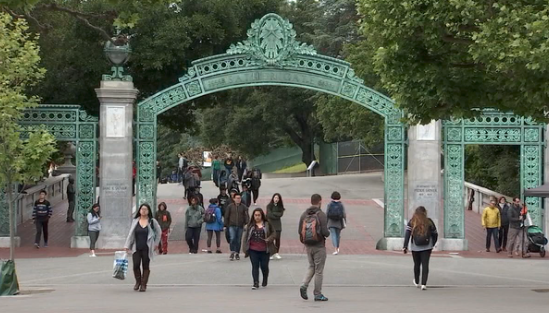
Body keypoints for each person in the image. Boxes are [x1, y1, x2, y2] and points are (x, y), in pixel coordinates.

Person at [298, 194, 330, 302]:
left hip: (308, 245)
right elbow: (325, 232)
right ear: (320, 201)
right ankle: (317, 294)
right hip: (319, 246)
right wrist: (327, 233)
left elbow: (299, 231)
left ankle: (304, 284)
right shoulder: (321, 215)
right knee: (319, 271)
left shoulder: (304, 214)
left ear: (311, 201)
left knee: (311, 266)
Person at [124, 203, 161, 292]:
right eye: (142, 209)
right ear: (139, 211)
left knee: (145, 265)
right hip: (136, 247)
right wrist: (127, 245)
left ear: (148, 211)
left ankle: (144, 284)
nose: (143, 211)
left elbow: (159, 232)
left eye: (145, 209)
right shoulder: (135, 221)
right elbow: (130, 234)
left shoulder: (152, 221)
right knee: (136, 265)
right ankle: (138, 282)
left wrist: (156, 243)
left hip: (147, 247)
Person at [402, 206, 438, 291]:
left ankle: (417, 281)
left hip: (415, 246)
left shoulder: (412, 221)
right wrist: (433, 243)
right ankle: (424, 284)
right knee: (425, 265)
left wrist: (405, 246)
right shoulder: (429, 221)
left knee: (417, 264)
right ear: (425, 212)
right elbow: (435, 234)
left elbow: (407, 234)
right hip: (427, 246)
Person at [243, 208, 276, 289]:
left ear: (262, 216)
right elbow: (246, 237)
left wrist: (269, 239)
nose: (257, 217)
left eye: (258, 215)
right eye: (255, 215)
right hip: (253, 249)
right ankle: (256, 282)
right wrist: (245, 248)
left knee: (264, 266)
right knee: (255, 266)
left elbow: (274, 233)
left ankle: (265, 278)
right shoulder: (250, 225)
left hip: (265, 249)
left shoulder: (267, 224)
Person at [224, 192, 249, 261]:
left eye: (239, 198)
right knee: (232, 238)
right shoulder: (230, 206)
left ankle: (237, 252)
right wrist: (225, 225)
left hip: (240, 226)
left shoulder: (244, 207)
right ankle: (232, 251)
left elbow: (246, 216)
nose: (238, 200)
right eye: (237, 198)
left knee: (238, 240)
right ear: (234, 199)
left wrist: (247, 223)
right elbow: (226, 216)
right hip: (231, 225)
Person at [266, 193, 285, 260]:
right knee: (271, 239)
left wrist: (274, 214)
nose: (276, 199)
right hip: (270, 224)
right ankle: (271, 253)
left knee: (277, 239)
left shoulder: (280, 207)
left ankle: (276, 253)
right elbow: (269, 214)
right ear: (273, 198)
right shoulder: (269, 206)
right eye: (275, 198)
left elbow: (280, 214)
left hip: (278, 225)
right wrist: (275, 215)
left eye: (277, 198)